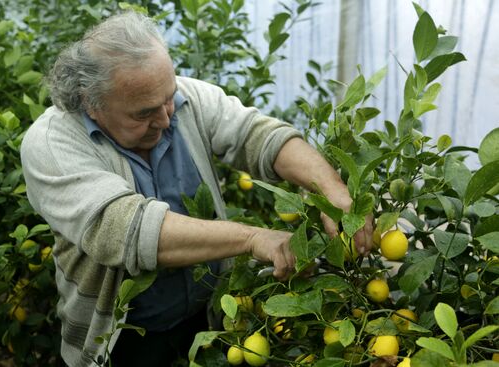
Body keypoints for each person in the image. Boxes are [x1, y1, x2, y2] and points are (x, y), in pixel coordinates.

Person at [20, 10, 373, 367]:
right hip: (116, 339)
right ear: (91, 105)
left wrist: (332, 189)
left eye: (168, 97)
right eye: (143, 113)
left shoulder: (184, 100)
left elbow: (259, 136)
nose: (165, 117)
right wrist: (253, 239)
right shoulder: (51, 145)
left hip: (205, 321)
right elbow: (126, 230)